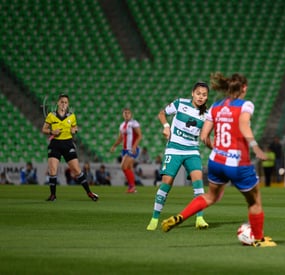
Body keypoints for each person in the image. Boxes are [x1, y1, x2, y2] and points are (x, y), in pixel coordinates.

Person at [160, 72, 276, 247]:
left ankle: (180, 216)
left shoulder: (215, 107)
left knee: (210, 196)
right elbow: (243, 124)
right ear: (244, 88)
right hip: (237, 163)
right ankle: (258, 239)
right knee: (254, 201)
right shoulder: (245, 105)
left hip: (216, 161)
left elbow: (204, 136)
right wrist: (255, 146)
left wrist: (220, 150)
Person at [146, 81, 211, 231]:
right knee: (167, 182)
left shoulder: (207, 115)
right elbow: (161, 113)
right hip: (174, 148)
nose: (201, 97)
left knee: (198, 182)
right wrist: (166, 127)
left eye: (204, 95)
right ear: (192, 93)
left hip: (192, 151)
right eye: (198, 93)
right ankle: (154, 218)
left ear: (207, 97)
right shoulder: (180, 103)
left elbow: (204, 136)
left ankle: (200, 218)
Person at [42, 94, 98, 201]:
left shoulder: (71, 116)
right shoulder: (51, 115)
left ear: (68, 104)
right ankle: (53, 195)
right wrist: (51, 131)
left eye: (66, 102)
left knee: (77, 170)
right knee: (52, 170)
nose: (63, 104)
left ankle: (89, 193)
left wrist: (74, 130)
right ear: (58, 103)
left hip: (68, 144)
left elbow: (75, 128)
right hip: (55, 144)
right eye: (62, 102)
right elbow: (44, 129)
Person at [110, 108, 142, 193]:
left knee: (123, 166)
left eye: (128, 113)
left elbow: (139, 136)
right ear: (123, 115)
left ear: (131, 114)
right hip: (125, 150)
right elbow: (121, 138)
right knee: (129, 168)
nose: (127, 114)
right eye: (125, 113)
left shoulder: (134, 123)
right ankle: (133, 188)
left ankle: (131, 186)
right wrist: (114, 146)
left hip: (131, 149)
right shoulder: (122, 125)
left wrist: (134, 146)